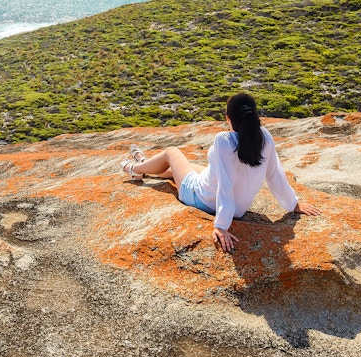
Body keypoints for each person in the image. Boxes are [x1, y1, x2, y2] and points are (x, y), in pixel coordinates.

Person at [121, 92, 321, 252]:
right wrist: (293, 204)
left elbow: (225, 185)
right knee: (183, 169)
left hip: (202, 198)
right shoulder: (265, 138)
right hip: (238, 208)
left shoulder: (223, 140)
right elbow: (274, 176)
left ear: (228, 118)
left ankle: (135, 169)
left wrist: (221, 225)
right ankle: (146, 165)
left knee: (172, 153)